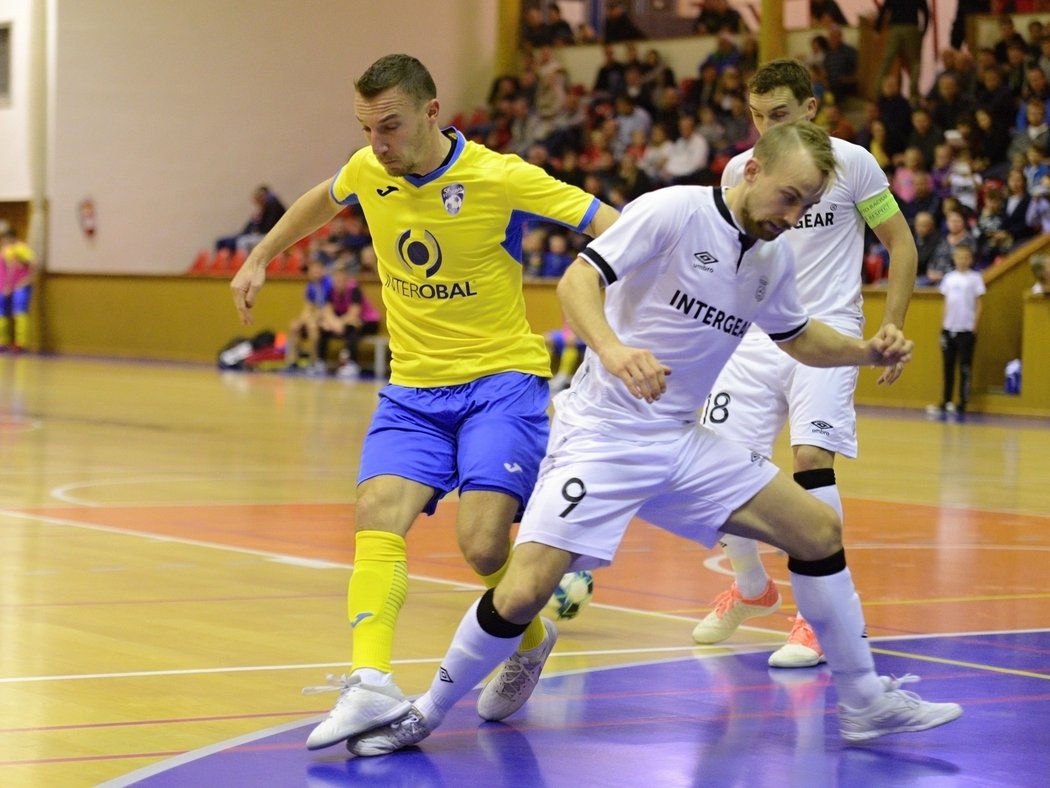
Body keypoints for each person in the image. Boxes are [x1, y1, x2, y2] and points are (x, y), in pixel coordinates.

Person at [343, 121, 961, 757]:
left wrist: (865, 350)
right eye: (789, 196)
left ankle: (863, 702)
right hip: (602, 434)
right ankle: (424, 712)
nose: (795, 214)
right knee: (525, 590)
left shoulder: (772, 257)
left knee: (818, 531)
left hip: (680, 440)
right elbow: (577, 281)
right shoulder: (673, 210)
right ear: (752, 171)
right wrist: (611, 350)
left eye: (809, 204)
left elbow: (797, 336)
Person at [229, 53, 619, 752]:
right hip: (413, 391)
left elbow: (614, 225)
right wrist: (261, 254)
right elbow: (326, 197)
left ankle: (529, 637)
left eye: (391, 127)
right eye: (367, 129)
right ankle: (369, 681)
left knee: (481, 546)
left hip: (501, 383)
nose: (378, 145)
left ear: (433, 113)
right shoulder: (368, 170)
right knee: (377, 512)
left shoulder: (500, 176)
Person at [690, 59, 917, 669]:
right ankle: (750, 587)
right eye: (756, 116)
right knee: (717, 468)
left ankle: (817, 621)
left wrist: (891, 323)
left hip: (828, 333)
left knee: (811, 461)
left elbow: (901, 243)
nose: (764, 128)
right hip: (755, 338)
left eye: (779, 115)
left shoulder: (852, 164)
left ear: (811, 110)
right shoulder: (742, 169)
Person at [936, 245, 984, 419]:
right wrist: (943, 326)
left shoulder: (975, 278)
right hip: (949, 328)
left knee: (964, 367)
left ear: (970, 259)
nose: (962, 260)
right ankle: (946, 400)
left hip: (966, 330)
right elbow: (946, 303)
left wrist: (974, 327)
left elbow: (979, 304)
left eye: (966, 257)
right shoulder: (949, 278)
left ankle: (962, 402)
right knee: (947, 367)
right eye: (959, 257)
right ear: (954, 258)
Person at [318, 259, 382, 379]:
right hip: (344, 322)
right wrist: (333, 324)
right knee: (323, 328)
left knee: (352, 328)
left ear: (346, 277)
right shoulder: (331, 290)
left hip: (369, 321)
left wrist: (338, 323)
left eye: (341, 276)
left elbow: (353, 313)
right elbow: (327, 312)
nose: (339, 279)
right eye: (336, 276)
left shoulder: (354, 289)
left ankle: (352, 364)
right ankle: (320, 362)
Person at [874, 0, 930, 104]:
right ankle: (913, 94)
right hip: (911, 27)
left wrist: (877, 29)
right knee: (915, 62)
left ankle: (878, 90)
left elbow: (884, 9)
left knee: (887, 60)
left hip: (895, 28)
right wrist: (923, 30)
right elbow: (926, 12)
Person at [284, 257, 331, 375]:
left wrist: (312, 319)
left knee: (312, 326)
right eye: (313, 270)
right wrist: (301, 320)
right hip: (316, 316)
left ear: (323, 270)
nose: (315, 272)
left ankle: (314, 361)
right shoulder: (310, 286)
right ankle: (292, 361)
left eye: (318, 269)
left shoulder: (329, 284)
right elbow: (308, 307)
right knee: (294, 326)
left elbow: (329, 307)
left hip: (329, 317)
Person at [216, 185, 286, 254]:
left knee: (243, 242)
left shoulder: (274, 207)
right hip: (265, 233)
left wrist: (258, 226)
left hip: (272, 234)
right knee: (232, 240)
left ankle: (244, 263)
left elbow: (268, 227)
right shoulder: (267, 207)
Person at [0, 224, 37, 353]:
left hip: (20, 286)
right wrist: (7, 285)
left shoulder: (21, 248)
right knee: (2, 313)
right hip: (7, 286)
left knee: (20, 312)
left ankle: (21, 343)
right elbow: (8, 270)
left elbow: (33, 262)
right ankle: (2, 341)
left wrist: (28, 279)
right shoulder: (5, 250)